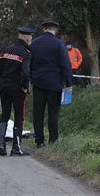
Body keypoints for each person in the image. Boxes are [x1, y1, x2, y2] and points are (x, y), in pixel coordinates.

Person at [0, 25, 35, 156]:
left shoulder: (5, 50)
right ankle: (16, 148)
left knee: (4, 115)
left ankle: (1, 144)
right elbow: (25, 73)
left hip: (4, 87)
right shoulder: (25, 54)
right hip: (17, 89)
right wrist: (25, 87)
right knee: (18, 118)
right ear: (28, 38)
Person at [30, 20, 72, 148]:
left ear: (44, 29)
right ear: (55, 30)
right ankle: (53, 140)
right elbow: (65, 64)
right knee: (53, 112)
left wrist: (31, 78)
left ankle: (39, 140)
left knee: (38, 112)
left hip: (38, 82)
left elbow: (29, 62)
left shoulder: (34, 44)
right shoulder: (59, 44)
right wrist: (68, 82)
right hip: (54, 83)